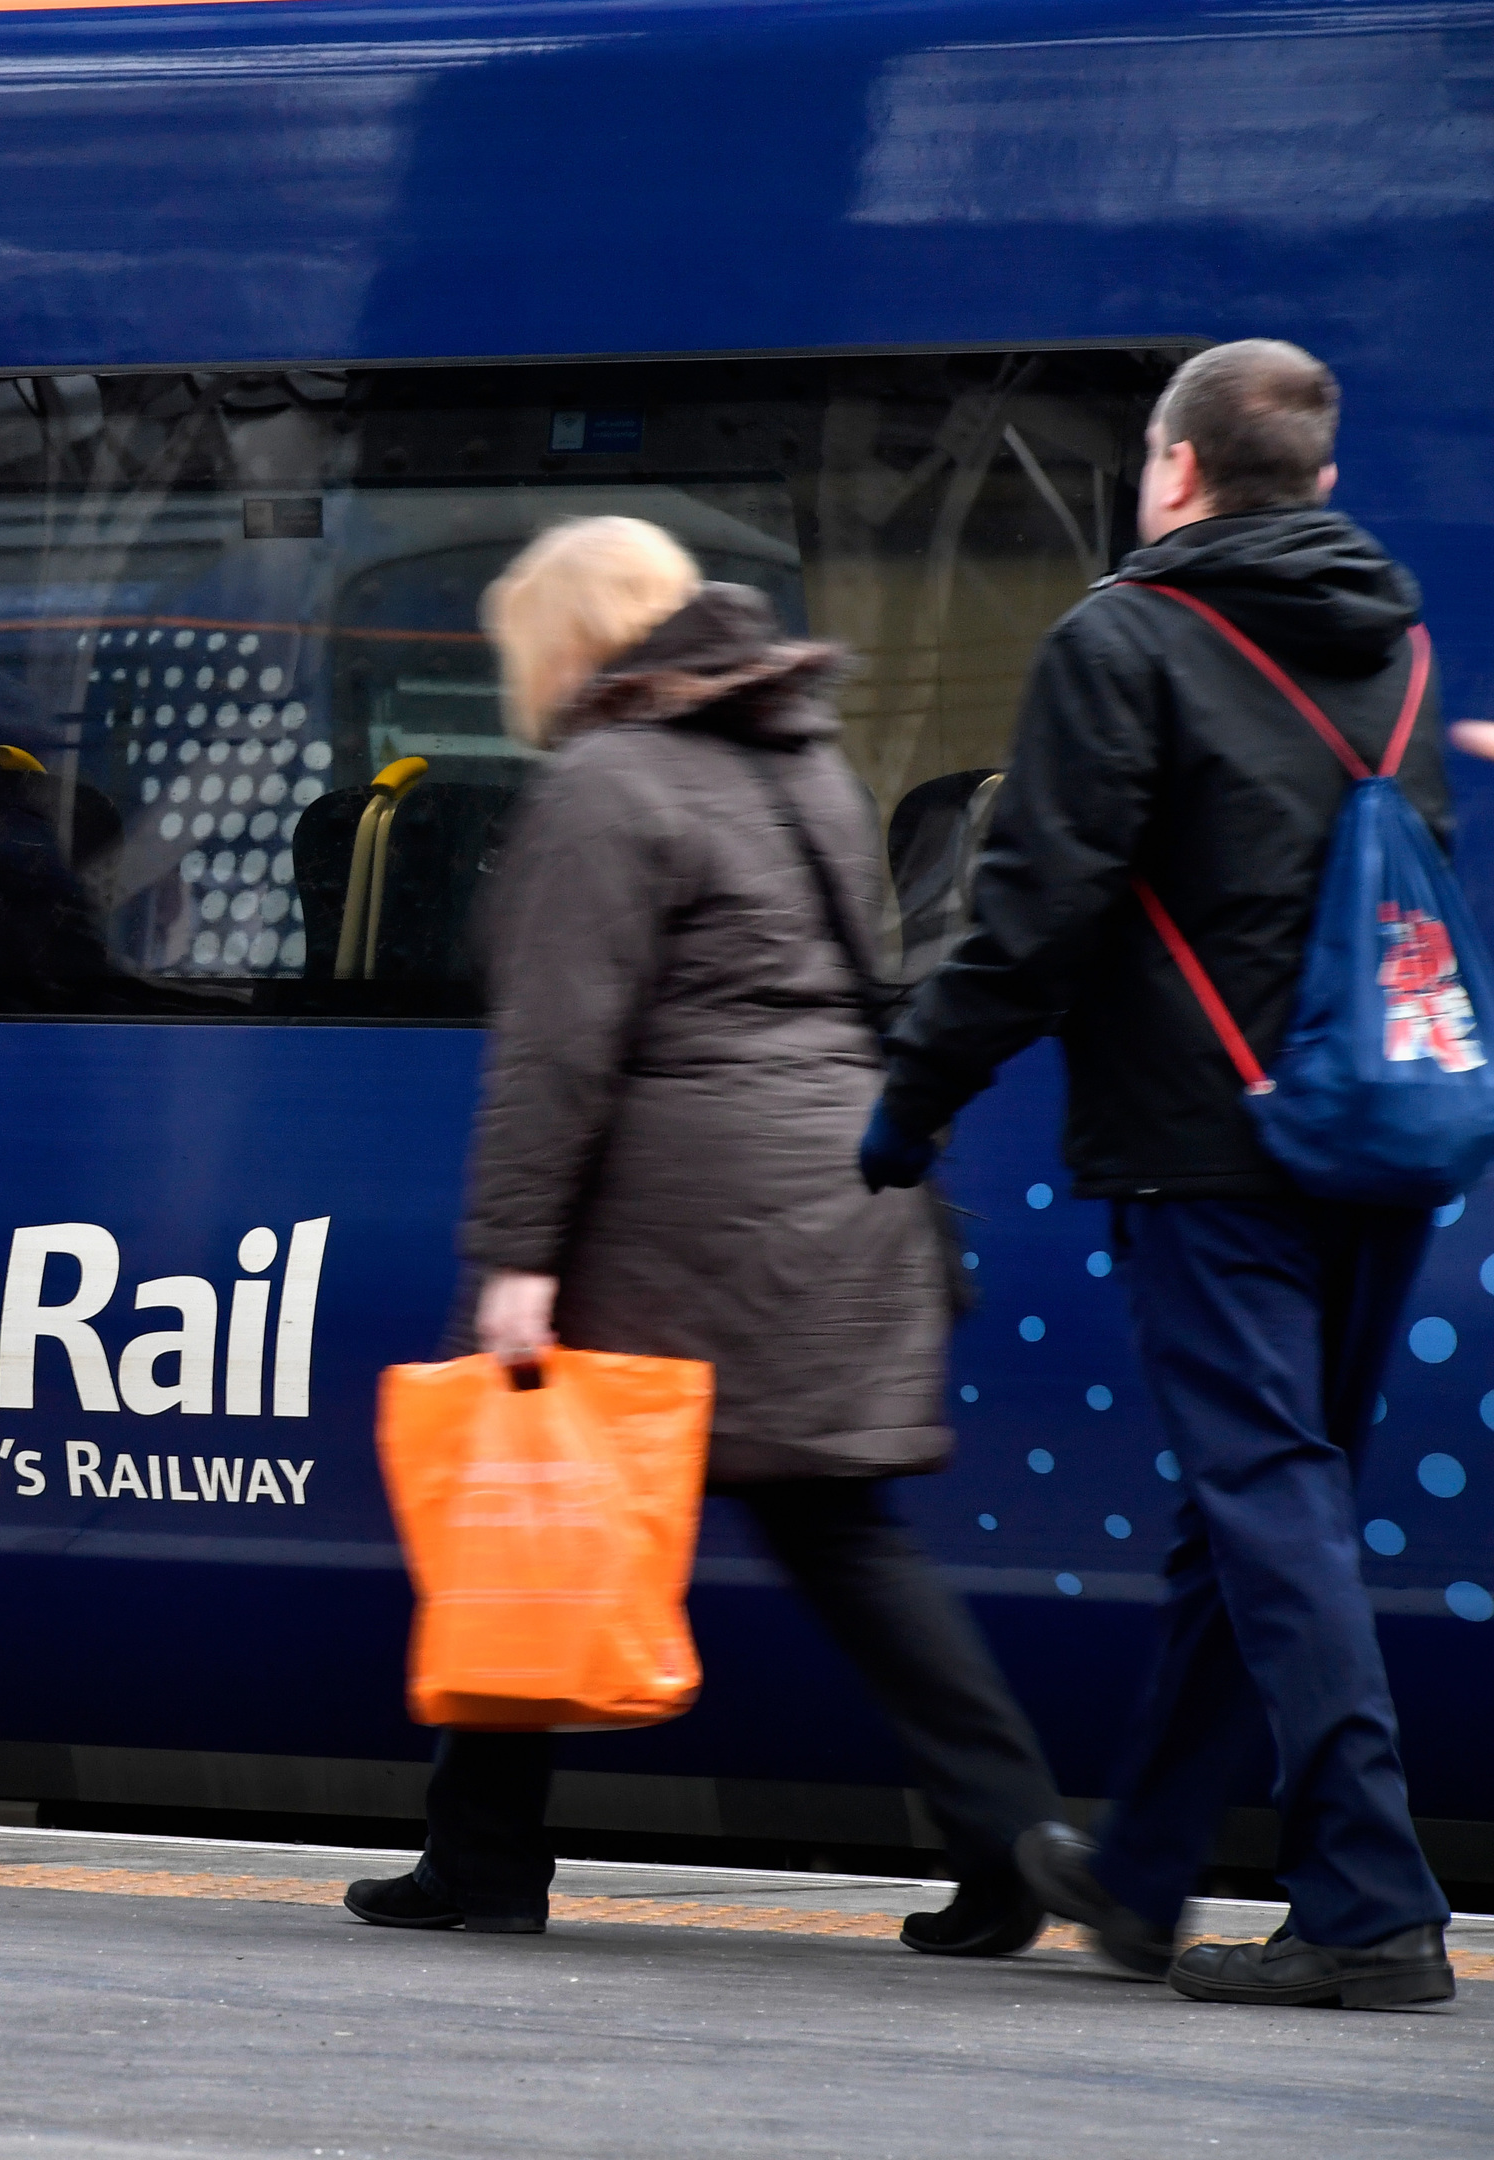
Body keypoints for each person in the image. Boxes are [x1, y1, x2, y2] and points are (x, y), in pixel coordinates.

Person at [342, 517, 1064, 1953]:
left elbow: (557, 1051)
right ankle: (1014, 1847)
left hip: (677, 1216)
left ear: (563, 642)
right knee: (842, 1536)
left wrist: (515, 1260)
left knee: (527, 1494)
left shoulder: (604, 780)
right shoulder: (804, 762)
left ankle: (483, 1855)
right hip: (835, 1189)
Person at [868, 340, 1458, 2010]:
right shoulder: (1395, 647)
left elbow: (1033, 907)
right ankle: (1142, 1880)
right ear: (1321, 484)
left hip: (1208, 1153)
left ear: (1178, 469)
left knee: (1272, 1499)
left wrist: (916, 1099)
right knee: (1259, 1500)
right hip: (1381, 1136)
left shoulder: (1122, 636)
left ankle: (1370, 1901)